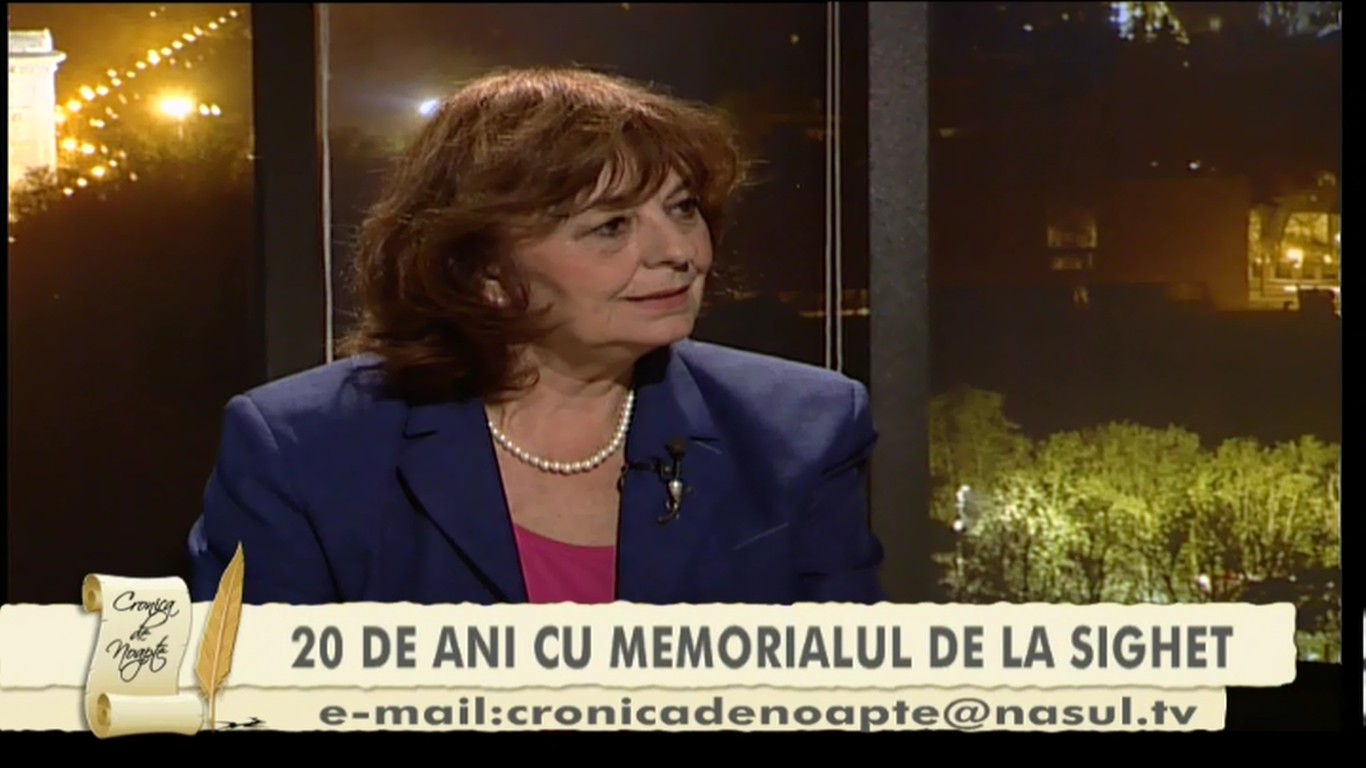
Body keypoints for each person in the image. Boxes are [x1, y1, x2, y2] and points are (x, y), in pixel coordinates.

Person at [187, 67, 886, 606]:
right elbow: (250, 701)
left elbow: (840, 697)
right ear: (486, 270)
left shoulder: (799, 430)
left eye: (682, 209)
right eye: (611, 226)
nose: (679, 252)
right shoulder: (305, 448)